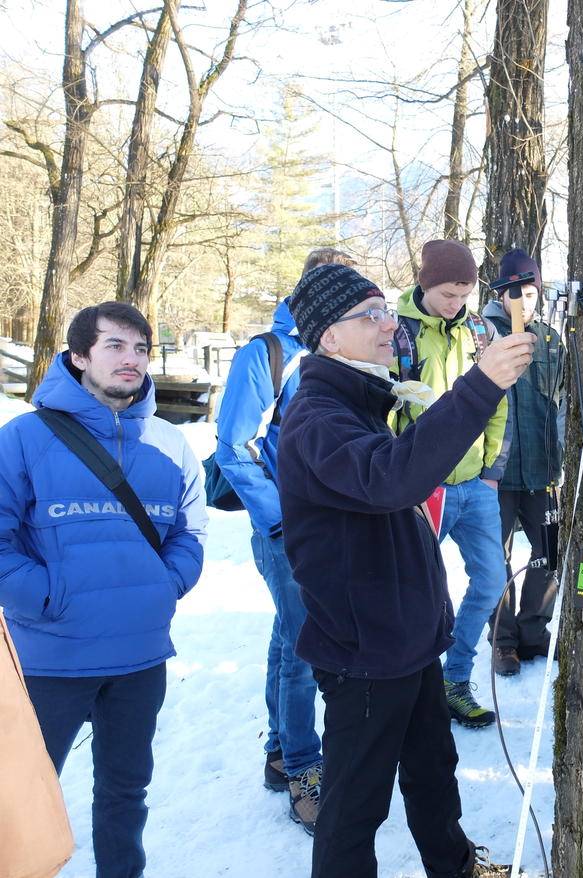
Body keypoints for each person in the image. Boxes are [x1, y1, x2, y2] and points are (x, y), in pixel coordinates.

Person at [277, 262, 531, 877]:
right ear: (328, 338)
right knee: (354, 808)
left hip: (407, 640)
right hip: (365, 650)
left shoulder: (362, 399)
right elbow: (390, 478)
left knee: (431, 772)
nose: (389, 324)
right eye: (371, 316)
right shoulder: (316, 417)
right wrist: (481, 384)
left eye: (385, 311)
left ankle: (457, 867)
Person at [0, 301, 207, 877]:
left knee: (126, 794)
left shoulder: (168, 442)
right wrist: (45, 597)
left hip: (139, 657)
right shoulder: (22, 439)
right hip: (51, 657)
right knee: (20, 800)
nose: (132, 359)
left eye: (141, 348)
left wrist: (163, 587)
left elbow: (190, 528)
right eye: (115, 345)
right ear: (78, 356)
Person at [214, 248, 353, 833]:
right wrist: (281, 519)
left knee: (287, 640)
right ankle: (303, 769)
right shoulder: (268, 355)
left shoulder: (336, 353)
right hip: (287, 529)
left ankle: (279, 750)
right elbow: (236, 446)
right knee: (307, 646)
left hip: (325, 524)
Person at [392, 239, 511, 725]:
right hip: (420, 491)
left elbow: (500, 400)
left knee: (492, 580)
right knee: (414, 594)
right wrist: (398, 483)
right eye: (447, 294)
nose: (455, 304)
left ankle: (454, 679)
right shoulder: (395, 332)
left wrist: (492, 473)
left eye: (463, 294)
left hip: (475, 488)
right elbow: (381, 411)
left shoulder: (481, 331)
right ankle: (408, 692)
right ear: (425, 283)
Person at [481, 249, 565, 675]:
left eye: (531, 293)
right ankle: (503, 641)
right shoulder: (482, 336)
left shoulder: (550, 340)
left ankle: (534, 631)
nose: (524, 302)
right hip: (494, 474)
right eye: (516, 293)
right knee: (494, 557)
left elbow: (563, 403)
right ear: (502, 295)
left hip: (542, 471)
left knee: (548, 550)